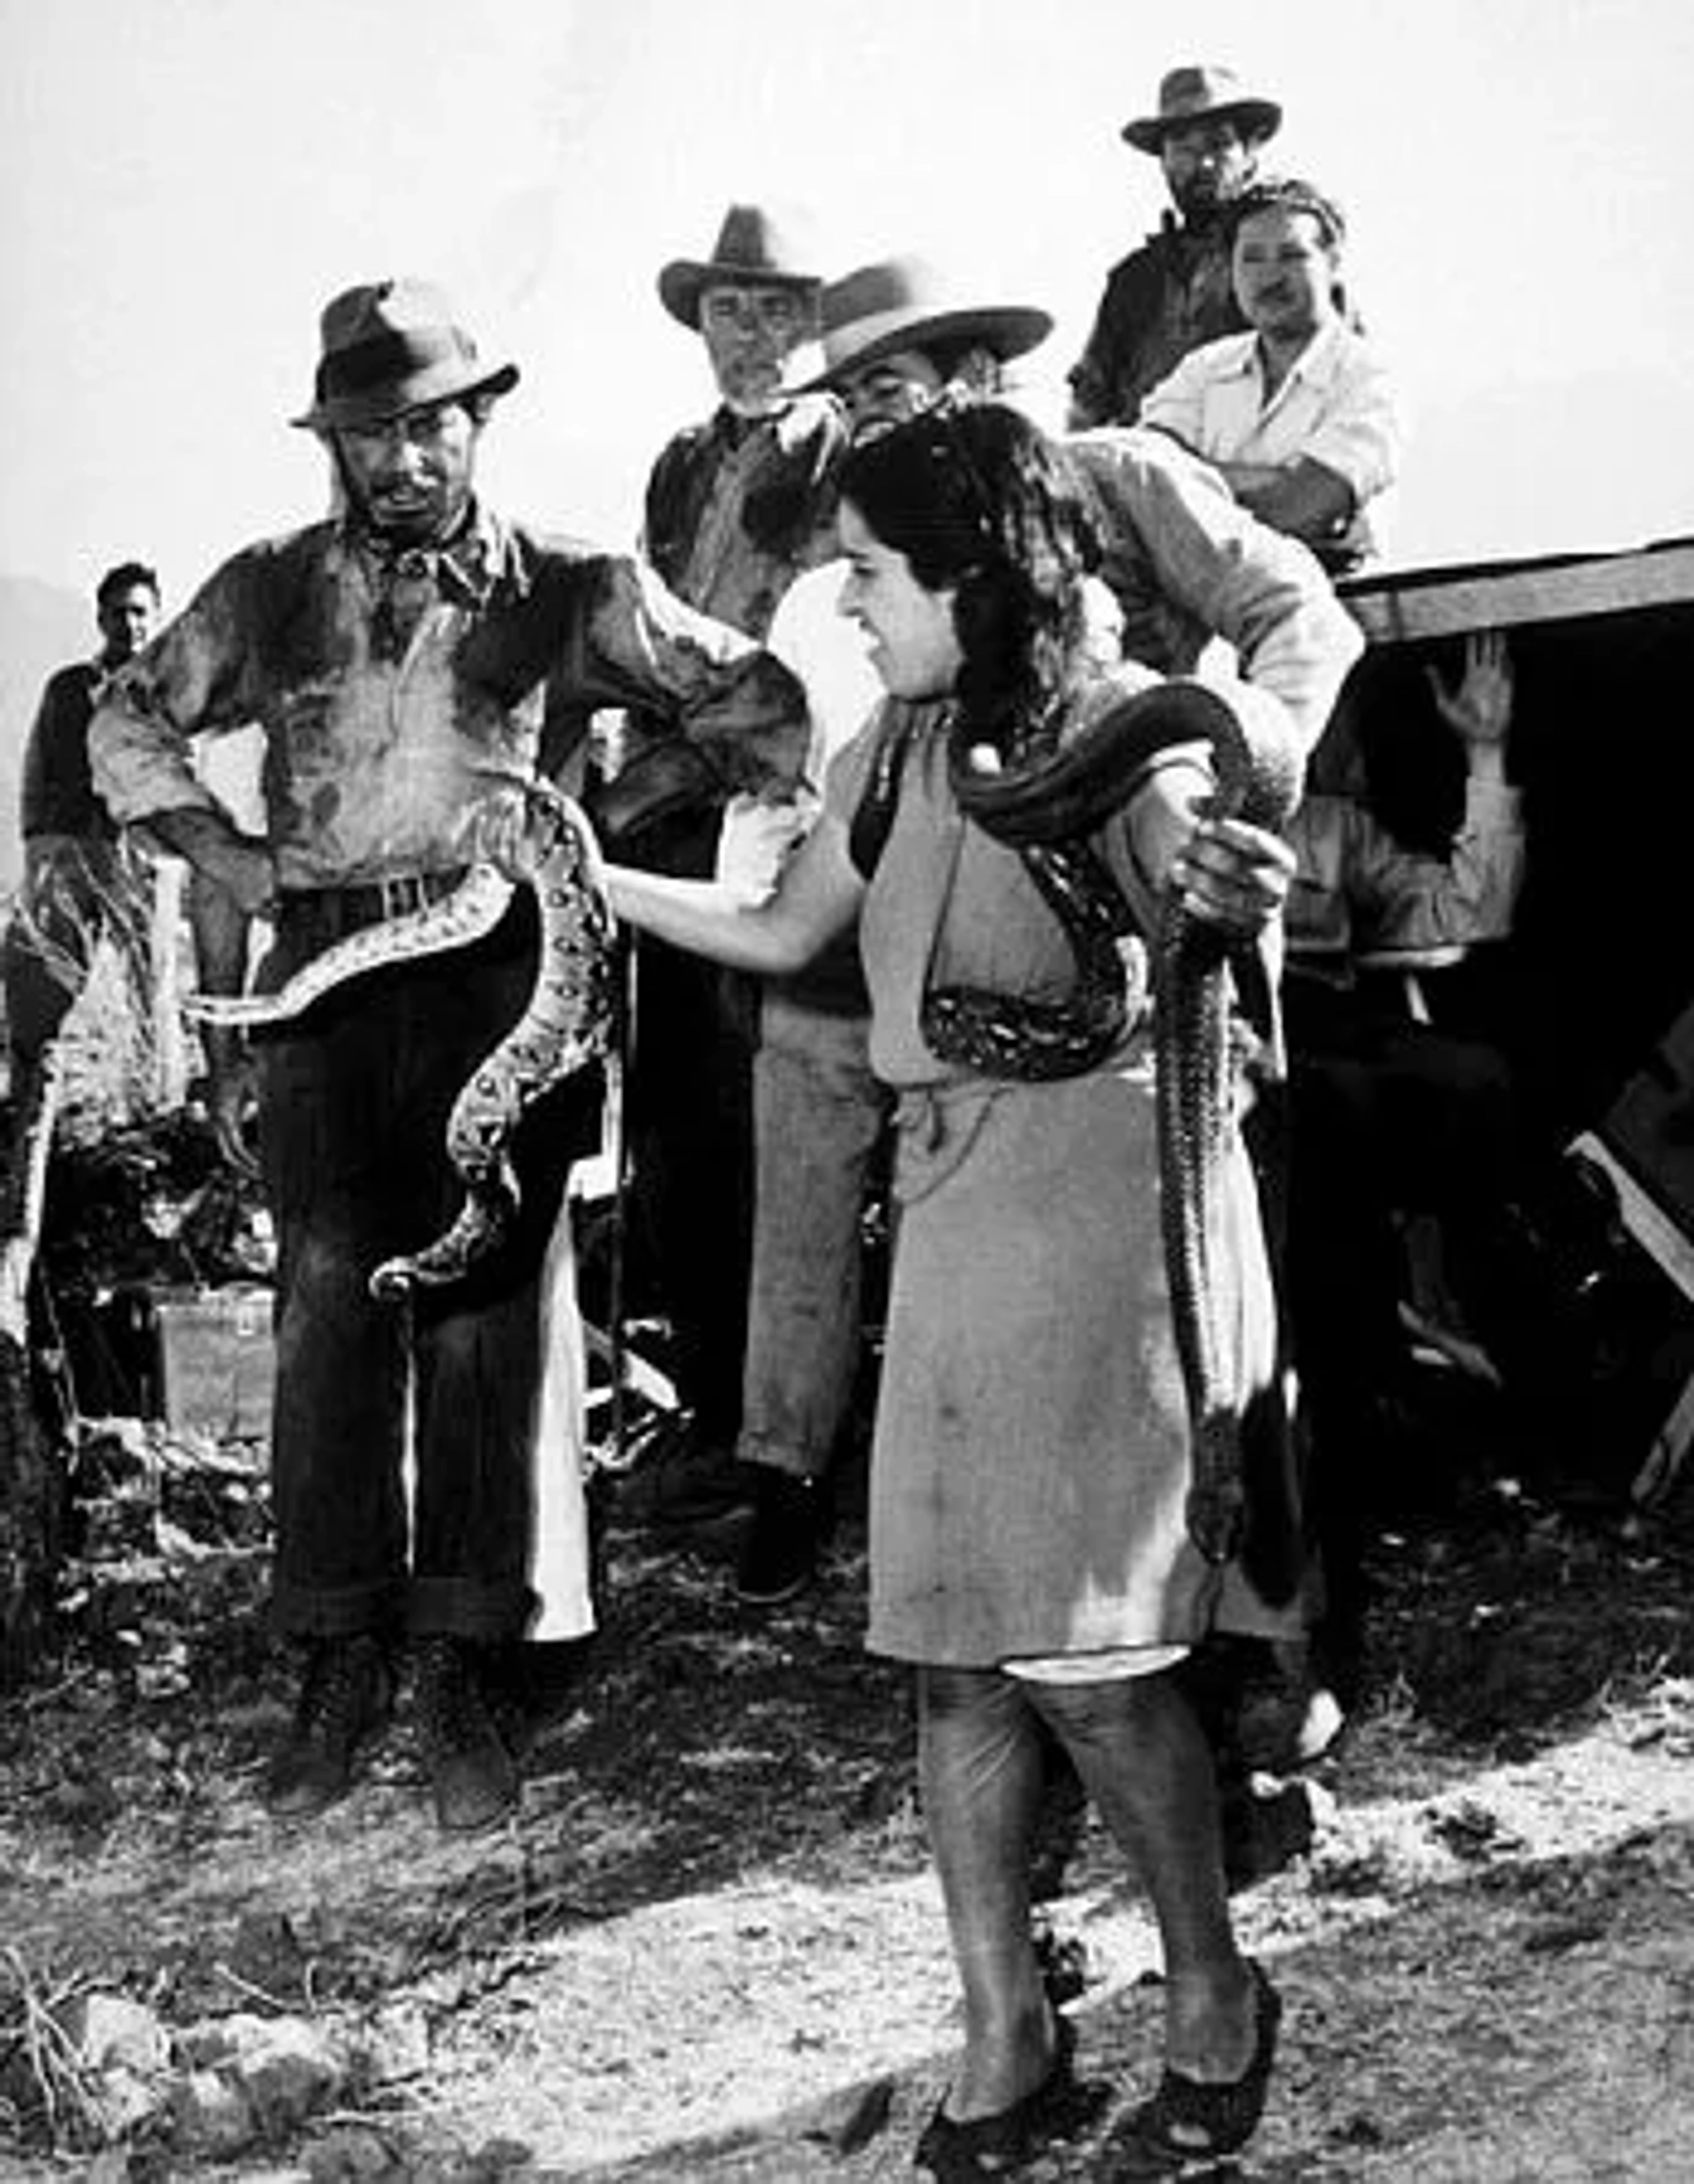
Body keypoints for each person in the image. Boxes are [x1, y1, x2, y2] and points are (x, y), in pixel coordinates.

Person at [596, 401, 1356, 2177]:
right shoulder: (895, 746)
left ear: (969, 570)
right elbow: (792, 932)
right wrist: (587, 873)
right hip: (950, 1226)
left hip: (1095, 1218)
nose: (844, 605)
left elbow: (1206, 889)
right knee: (955, 1667)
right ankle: (1007, 2031)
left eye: (866, 570)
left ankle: (1215, 1987)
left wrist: (1233, 885)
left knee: (1087, 1662)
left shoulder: (1116, 736)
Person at [88, 277, 809, 1834]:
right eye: (371, 435)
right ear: (333, 443)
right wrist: (229, 857)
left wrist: (627, 823)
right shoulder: (269, 589)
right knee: (331, 1297)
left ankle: (474, 1669)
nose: (405, 461)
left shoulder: (569, 581)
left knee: (493, 1302)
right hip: (328, 979)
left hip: (506, 966)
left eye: (431, 426)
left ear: (480, 420)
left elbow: (757, 696)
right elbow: (125, 725)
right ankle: (338, 1649)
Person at [731, 255, 1056, 1604]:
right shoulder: (842, 547)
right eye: (853, 395)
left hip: (1046, 938)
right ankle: (785, 1470)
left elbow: (1287, 617)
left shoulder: (1092, 489)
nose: (868, 418)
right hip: (867, 900)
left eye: (892, 387)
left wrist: (1246, 764)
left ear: (974, 378)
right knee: (804, 1117)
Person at [613, 203, 849, 1530]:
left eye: (773, 309)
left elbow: (803, 658)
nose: (750, 334)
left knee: (767, 1117)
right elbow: (651, 626)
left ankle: (784, 1434)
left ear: (810, 321)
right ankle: (713, 1408)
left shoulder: (839, 446)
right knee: (677, 1122)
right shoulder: (677, 464)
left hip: (776, 807)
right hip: (667, 805)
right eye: (727, 309)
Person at [1282, 629, 1526, 1709]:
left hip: (1316, 1061)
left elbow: (1473, 909)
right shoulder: (1149, 803)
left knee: (1462, 1080)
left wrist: (1485, 755)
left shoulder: (1330, 826)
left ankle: (1436, 1357)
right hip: (1193, 1071)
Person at [1138, 177, 1402, 572]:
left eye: (1291, 255)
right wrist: (1268, 479)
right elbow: (1143, 483)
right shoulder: (1204, 369)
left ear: (1333, 264)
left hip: (1338, 607)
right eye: (1252, 258)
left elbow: (1303, 508)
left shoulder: (1369, 381)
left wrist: (1196, 481)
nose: (1270, 276)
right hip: (1206, 610)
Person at [4, 562, 162, 1096]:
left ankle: (150, 1098)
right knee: (45, 975)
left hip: (141, 854)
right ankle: (24, 1094)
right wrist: (42, 853)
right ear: (100, 618)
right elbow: (43, 775)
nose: (130, 624)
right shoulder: (70, 687)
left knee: (150, 980)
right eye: (119, 613)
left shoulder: (170, 692)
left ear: (156, 617)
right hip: (74, 850)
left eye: (140, 612)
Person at [1068, 64, 1282, 431]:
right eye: (1184, 148)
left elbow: (1340, 383)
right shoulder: (1133, 281)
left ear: (1249, 155)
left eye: (1219, 144)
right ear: (1163, 162)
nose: (1204, 163)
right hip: (1145, 476)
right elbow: (1087, 413)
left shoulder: (1285, 259)